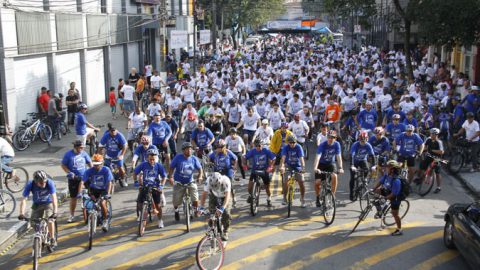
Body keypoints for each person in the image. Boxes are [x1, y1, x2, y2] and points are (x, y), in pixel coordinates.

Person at [19, 170, 58, 246]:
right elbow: (24, 199)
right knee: (33, 222)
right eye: (41, 183)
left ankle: (52, 238)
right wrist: (21, 213)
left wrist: (55, 212)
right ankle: (40, 233)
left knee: (50, 220)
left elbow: (54, 198)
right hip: (37, 204)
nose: (43, 184)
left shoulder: (50, 183)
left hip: (48, 203)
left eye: (44, 182)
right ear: (36, 182)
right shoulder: (30, 184)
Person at [168, 142, 204, 221]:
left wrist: (200, 176)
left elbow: (200, 169)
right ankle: (176, 210)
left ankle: (195, 209)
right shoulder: (178, 157)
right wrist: (170, 177)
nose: (189, 151)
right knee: (176, 200)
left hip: (190, 181)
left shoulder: (194, 158)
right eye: (187, 149)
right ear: (183, 151)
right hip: (179, 182)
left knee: (195, 197)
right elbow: (171, 167)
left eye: (191, 149)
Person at [133, 149, 168, 228]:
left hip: (155, 187)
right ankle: (141, 215)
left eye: (154, 159)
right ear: (147, 158)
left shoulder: (159, 165)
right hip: (145, 186)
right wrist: (135, 181)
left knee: (158, 205)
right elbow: (135, 173)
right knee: (139, 203)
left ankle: (160, 220)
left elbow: (164, 177)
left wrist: (161, 185)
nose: (152, 160)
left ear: (156, 158)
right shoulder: (143, 165)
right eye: (150, 159)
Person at [80, 154, 113, 231]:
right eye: (95, 165)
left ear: (102, 163)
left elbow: (109, 182)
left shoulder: (106, 170)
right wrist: (81, 190)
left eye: (98, 165)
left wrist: (107, 194)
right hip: (93, 190)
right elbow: (82, 181)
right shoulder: (89, 171)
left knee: (102, 203)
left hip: (103, 190)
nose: (96, 167)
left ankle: (105, 220)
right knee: (90, 203)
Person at [61, 140, 92, 223]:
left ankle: (91, 209)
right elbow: (63, 165)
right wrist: (69, 172)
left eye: (83, 147)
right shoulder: (68, 154)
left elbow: (90, 163)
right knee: (73, 197)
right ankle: (71, 215)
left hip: (84, 177)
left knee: (90, 193)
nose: (82, 149)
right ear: (76, 147)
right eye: (81, 147)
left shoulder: (84, 154)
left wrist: (92, 172)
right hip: (74, 179)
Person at [372, 160, 404, 236]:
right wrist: (374, 188)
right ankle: (380, 211)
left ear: (392, 169)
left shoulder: (396, 181)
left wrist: (385, 198)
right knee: (376, 193)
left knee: (395, 214)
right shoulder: (387, 174)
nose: (385, 168)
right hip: (388, 190)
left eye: (387, 167)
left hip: (395, 198)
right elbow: (380, 181)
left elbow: (393, 194)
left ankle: (399, 230)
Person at [313, 130, 344, 207]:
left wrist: (340, 167)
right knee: (318, 182)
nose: (331, 139)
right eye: (329, 137)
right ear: (327, 137)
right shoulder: (322, 145)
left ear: (335, 138)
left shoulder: (337, 144)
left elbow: (339, 157)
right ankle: (317, 197)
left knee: (335, 176)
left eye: (333, 138)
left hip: (331, 164)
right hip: (321, 164)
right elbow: (317, 157)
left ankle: (332, 195)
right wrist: (315, 168)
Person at [198, 172, 232, 241]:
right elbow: (204, 194)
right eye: (213, 186)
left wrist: (222, 208)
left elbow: (228, 195)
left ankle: (225, 231)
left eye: (216, 186)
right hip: (213, 195)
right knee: (211, 213)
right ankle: (211, 228)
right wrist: (201, 207)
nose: (215, 187)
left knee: (226, 213)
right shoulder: (208, 181)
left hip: (224, 196)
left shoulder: (226, 180)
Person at [243, 139, 276, 206]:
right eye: (256, 146)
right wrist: (245, 165)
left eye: (259, 145)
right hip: (255, 170)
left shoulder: (266, 150)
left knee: (267, 188)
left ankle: (269, 198)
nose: (258, 147)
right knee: (249, 188)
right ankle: (251, 195)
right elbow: (244, 157)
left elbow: (274, 158)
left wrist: (271, 166)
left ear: (262, 145)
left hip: (265, 170)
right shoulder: (253, 151)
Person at [279, 135, 306, 208]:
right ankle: (284, 198)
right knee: (285, 181)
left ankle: (302, 199)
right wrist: (282, 166)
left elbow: (301, 159)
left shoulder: (299, 147)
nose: (292, 144)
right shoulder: (285, 147)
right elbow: (283, 158)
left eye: (293, 143)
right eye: (290, 143)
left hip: (297, 166)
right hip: (288, 166)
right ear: (288, 143)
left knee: (302, 181)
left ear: (296, 142)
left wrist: (303, 168)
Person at [349, 131, 376, 201]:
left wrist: (374, 165)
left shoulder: (368, 145)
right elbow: (352, 155)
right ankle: (351, 193)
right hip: (354, 161)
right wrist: (352, 165)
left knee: (366, 169)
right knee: (352, 177)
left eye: (364, 140)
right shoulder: (355, 144)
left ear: (367, 139)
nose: (363, 142)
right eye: (361, 140)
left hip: (362, 160)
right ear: (359, 139)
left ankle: (364, 179)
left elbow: (372, 156)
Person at [417, 128, 444, 193]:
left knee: (437, 173)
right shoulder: (428, 139)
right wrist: (420, 151)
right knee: (422, 165)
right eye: (431, 134)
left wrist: (432, 150)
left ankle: (438, 187)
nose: (432, 135)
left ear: (436, 135)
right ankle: (420, 178)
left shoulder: (439, 142)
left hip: (437, 158)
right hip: (429, 156)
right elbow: (425, 147)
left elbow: (441, 152)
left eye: (433, 134)